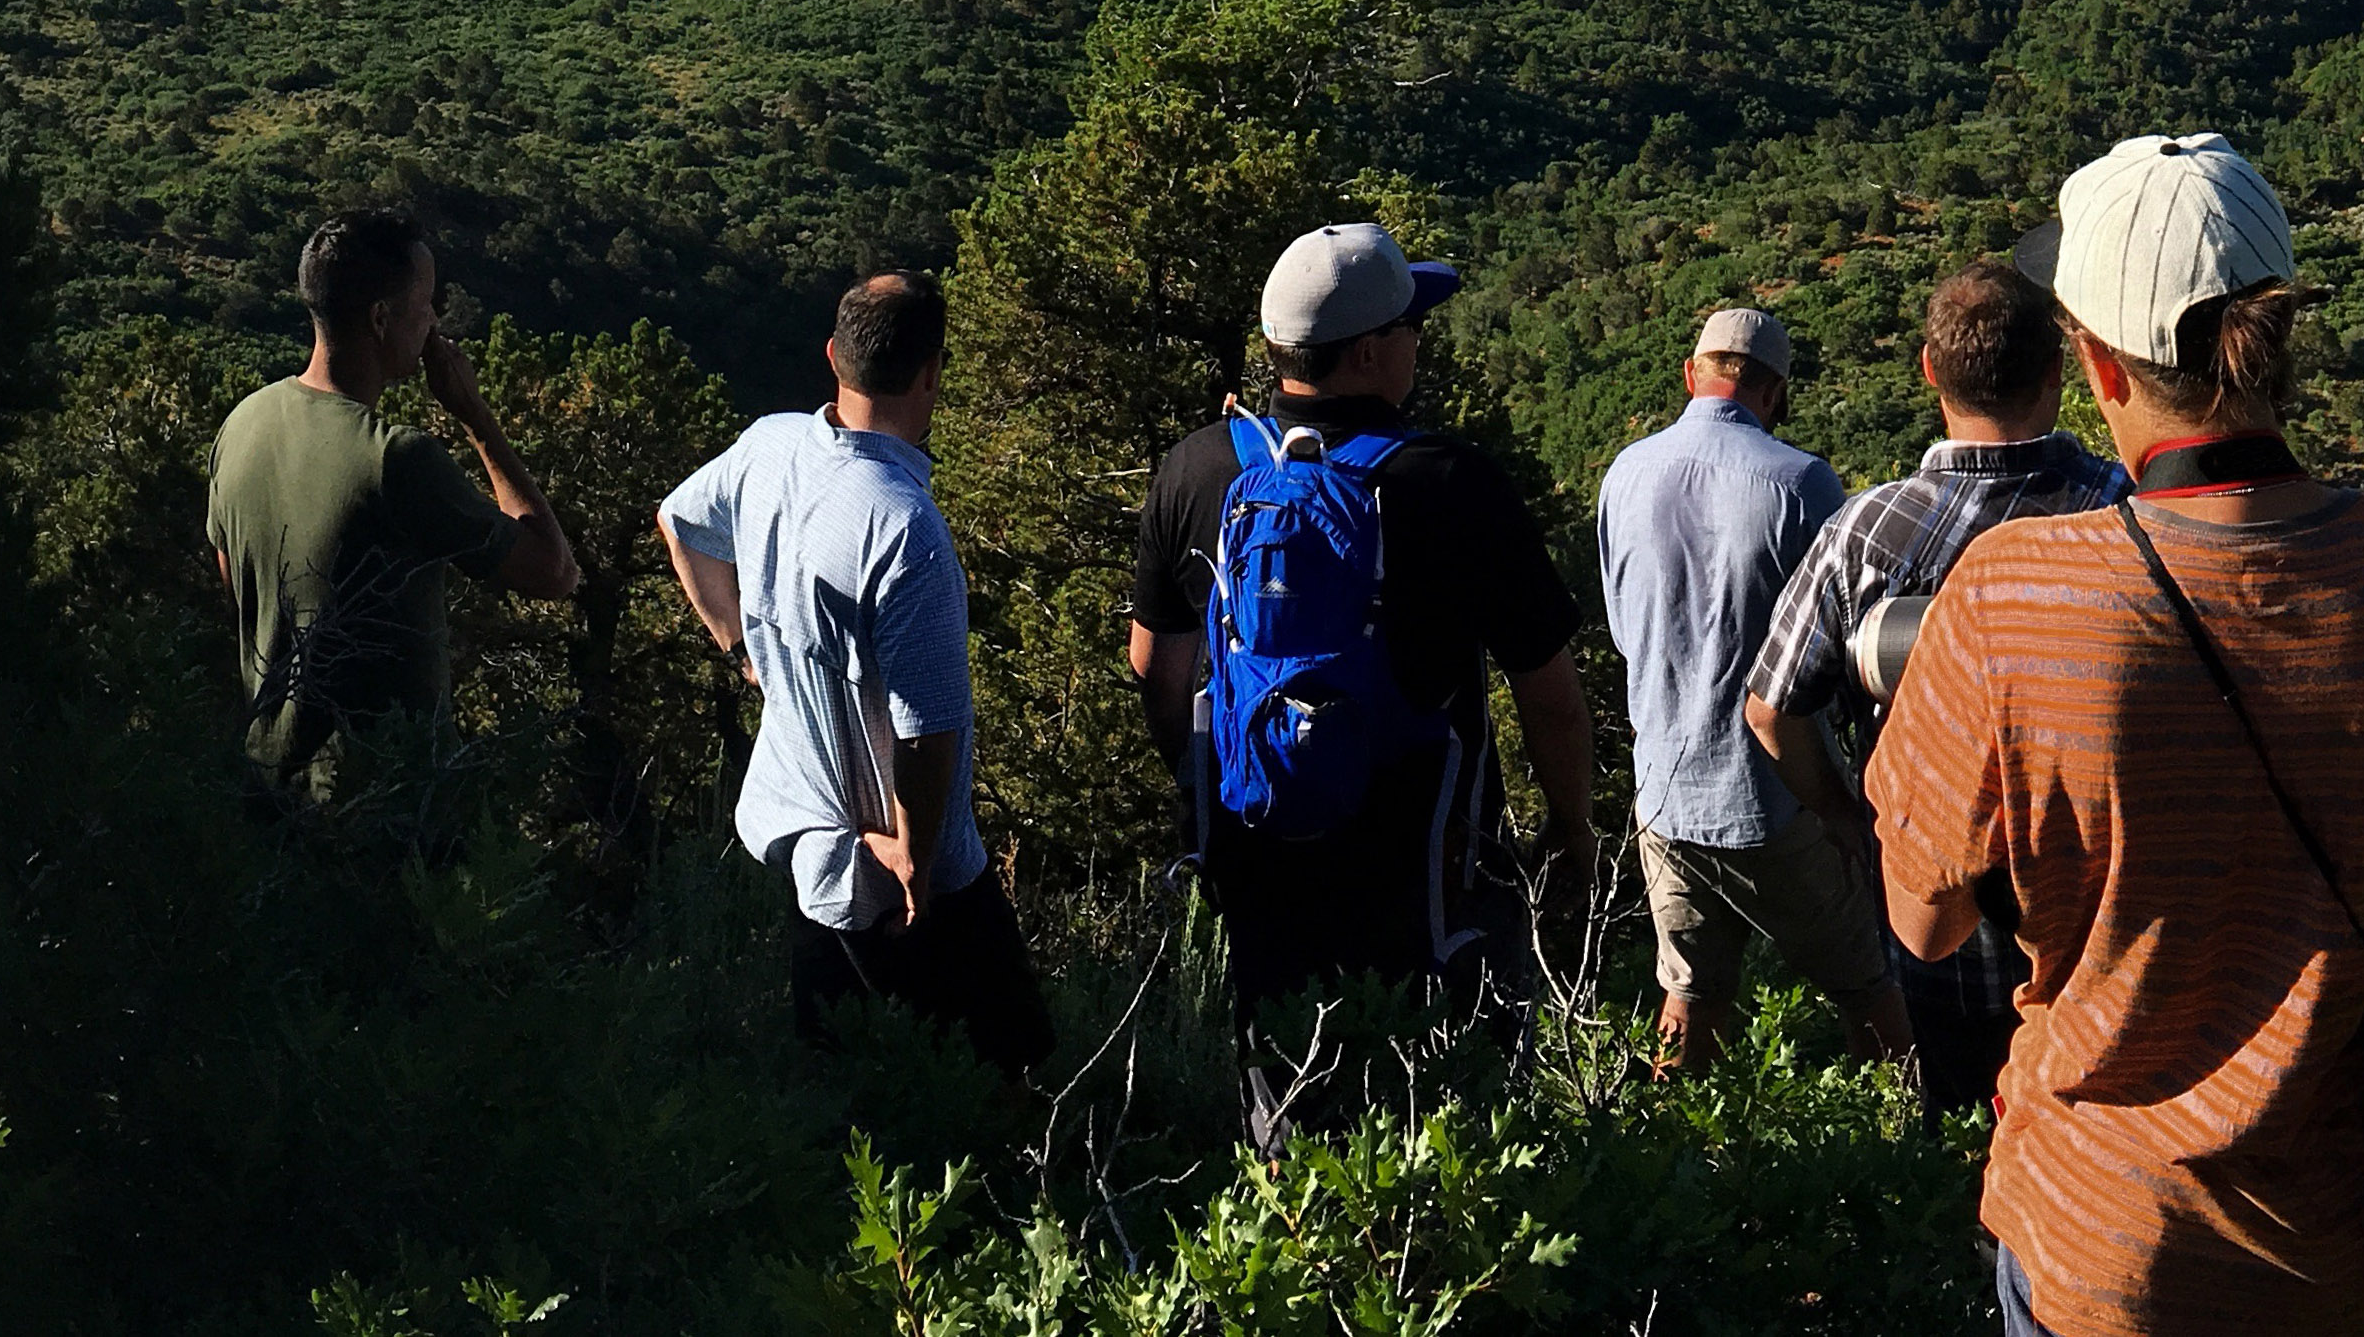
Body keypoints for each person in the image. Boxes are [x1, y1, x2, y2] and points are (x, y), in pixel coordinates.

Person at [1870, 137, 2364, 1337]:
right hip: (2360, 1236)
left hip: (2103, 1245)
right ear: (2275, 334)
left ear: (2093, 362)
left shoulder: (2010, 599)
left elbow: (1926, 922)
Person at [1129, 219, 1599, 1029]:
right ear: (1370, 351)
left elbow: (1158, 672)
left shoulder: (1198, 467)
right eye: (1411, 325)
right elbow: (1546, 691)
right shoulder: (1454, 481)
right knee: (1460, 1107)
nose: (1419, 343)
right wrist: (1572, 827)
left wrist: (1215, 784)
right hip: (1425, 869)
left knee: (1281, 1090)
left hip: (1256, 857)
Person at [1737, 257, 2125, 1114]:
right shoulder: (2119, 512)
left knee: (1955, 1158)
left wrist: (1848, 817)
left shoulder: (1863, 532)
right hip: (2103, 943)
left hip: (1937, 949)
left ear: (1927, 369)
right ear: (2058, 371)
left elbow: (1769, 707)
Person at [657, 270, 1048, 1068]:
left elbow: (681, 521)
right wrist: (917, 858)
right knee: (1007, 1073)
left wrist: (742, 649)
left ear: (834, 355)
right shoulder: (905, 530)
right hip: (900, 875)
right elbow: (926, 732)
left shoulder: (770, 446)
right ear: (933, 371)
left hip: (810, 841)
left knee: (839, 1092)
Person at [206, 207, 585, 829]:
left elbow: (236, 587)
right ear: (382, 318)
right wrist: (474, 416)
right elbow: (554, 572)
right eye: (427, 302)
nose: (435, 320)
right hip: (383, 808)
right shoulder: (395, 458)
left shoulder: (242, 423)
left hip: (265, 795)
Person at [1599, 303, 1887, 1070]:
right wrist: (1842, 803)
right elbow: (1844, 644)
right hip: (1776, 795)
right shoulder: (1800, 482)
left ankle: (1680, 1159)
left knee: (1691, 998)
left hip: (1662, 789)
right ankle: (1906, 1156)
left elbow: (1625, 631)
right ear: (1773, 392)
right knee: (1874, 991)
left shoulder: (1624, 472)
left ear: (1693, 375)